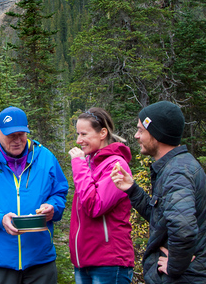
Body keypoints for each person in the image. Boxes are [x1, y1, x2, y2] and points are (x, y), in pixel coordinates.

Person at [110, 101, 206, 284]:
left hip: (185, 279)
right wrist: (133, 190)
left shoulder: (177, 172)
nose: (136, 136)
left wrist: (175, 265)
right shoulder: (177, 165)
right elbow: (162, 218)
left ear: (157, 134)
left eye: (141, 130)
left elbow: (183, 228)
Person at [0, 106, 69, 284]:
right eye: (11, 135)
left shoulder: (45, 157)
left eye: (21, 134)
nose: (17, 140)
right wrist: (0, 218)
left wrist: (53, 207)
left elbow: (59, 193)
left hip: (40, 259)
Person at [69, 107, 135, 284]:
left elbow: (94, 206)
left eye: (84, 134)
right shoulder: (89, 163)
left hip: (109, 261)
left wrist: (78, 165)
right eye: (78, 134)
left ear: (102, 133)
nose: (78, 140)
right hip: (85, 260)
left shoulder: (116, 165)